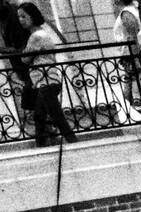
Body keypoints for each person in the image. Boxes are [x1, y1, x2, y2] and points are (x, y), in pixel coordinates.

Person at [15, 3, 75, 146]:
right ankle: (41, 144)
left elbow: (25, 59)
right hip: (47, 81)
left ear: (33, 16)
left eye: (24, 16)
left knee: (56, 117)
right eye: (19, 17)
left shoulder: (36, 36)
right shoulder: (42, 33)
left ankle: (73, 143)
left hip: (46, 81)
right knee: (40, 116)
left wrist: (23, 54)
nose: (21, 20)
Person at [0, 0, 34, 139]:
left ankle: (42, 131)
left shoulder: (15, 15)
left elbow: (20, 48)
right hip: (23, 69)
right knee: (34, 102)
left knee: (34, 101)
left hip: (29, 67)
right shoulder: (8, 16)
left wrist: (3, 50)